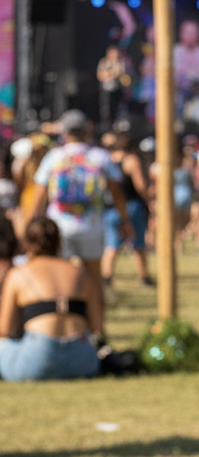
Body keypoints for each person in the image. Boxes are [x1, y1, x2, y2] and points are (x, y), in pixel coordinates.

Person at [31, 110, 130, 337]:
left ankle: (61, 329)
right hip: (92, 225)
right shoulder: (100, 157)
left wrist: (32, 224)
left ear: (64, 133)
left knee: (57, 281)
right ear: (87, 130)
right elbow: (116, 192)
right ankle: (98, 330)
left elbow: (38, 195)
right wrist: (124, 221)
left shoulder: (54, 157)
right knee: (94, 280)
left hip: (59, 227)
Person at [0, 217, 100, 381]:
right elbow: (97, 328)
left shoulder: (18, 274)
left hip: (37, 359)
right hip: (83, 361)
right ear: (59, 243)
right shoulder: (82, 273)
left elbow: (5, 330)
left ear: (26, 243)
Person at [101, 131, 153, 289]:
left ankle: (107, 278)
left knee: (112, 244)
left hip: (111, 207)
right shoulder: (131, 160)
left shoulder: (107, 159)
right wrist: (150, 197)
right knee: (137, 243)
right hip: (131, 206)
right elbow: (141, 186)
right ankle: (145, 277)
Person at [97, 45, 128, 129]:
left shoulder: (119, 62)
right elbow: (100, 75)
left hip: (116, 89)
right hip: (106, 89)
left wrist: (109, 74)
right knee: (106, 108)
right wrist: (109, 74)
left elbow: (119, 73)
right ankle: (106, 124)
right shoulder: (103, 62)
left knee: (117, 107)